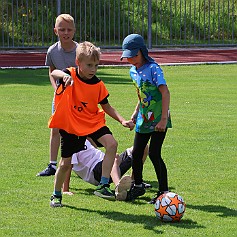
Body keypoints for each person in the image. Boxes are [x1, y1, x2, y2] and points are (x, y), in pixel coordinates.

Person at [48, 41, 134, 207]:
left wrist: (122, 120)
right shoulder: (70, 74)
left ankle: (102, 185)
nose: (93, 69)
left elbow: (107, 106)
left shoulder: (98, 84)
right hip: (72, 126)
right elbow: (54, 73)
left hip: (92, 122)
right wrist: (64, 76)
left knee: (112, 144)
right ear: (78, 63)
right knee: (65, 164)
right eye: (89, 65)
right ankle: (56, 194)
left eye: (96, 65)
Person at [120, 34, 172, 204]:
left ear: (143, 51)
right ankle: (138, 185)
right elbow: (142, 95)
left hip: (158, 118)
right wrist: (135, 113)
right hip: (143, 118)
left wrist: (163, 119)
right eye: (128, 56)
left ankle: (163, 191)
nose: (131, 59)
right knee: (136, 153)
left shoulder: (153, 68)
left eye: (134, 55)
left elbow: (165, 92)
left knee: (155, 153)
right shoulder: (132, 71)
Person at [37, 14, 78, 177]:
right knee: (55, 130)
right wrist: (56, 90)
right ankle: (52, 164)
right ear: (55, 31)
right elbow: (51, 71)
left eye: (69, 29)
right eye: (62, 29)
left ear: (74, 31)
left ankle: (90, 162)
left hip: (78, 96)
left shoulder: (80, 50)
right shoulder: (52, 51)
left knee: (82, 131)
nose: (65, 33)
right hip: (60, 97)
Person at [62, 139, 150, 201]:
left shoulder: (85, 136)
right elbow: (67, 166)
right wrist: (65, 190)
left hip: (106, 165)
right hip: (95, 173)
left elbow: (95, 150)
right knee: (114, 159)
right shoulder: (70, 142)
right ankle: (118, 188)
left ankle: (133, 182)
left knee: (143, 147)